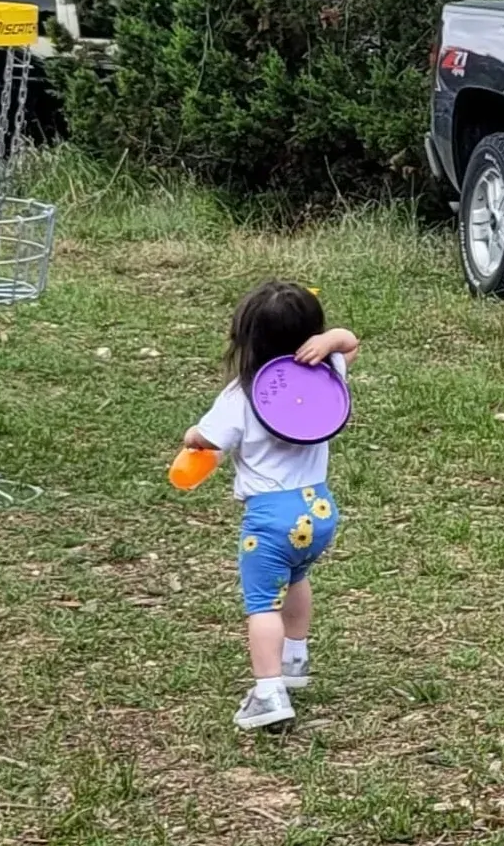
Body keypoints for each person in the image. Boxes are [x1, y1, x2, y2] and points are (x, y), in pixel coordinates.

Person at [183, 281, 358, 730]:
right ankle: (295, 658)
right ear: (311, 336)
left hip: (271, 518)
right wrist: (330, 341)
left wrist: (191, 438)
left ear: (246, 340)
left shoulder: (240, 397)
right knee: (297, 578)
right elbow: (350, 343)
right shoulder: (328, 373)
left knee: (262, 604)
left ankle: (269, 693)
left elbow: (205, 441)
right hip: (318, 510)